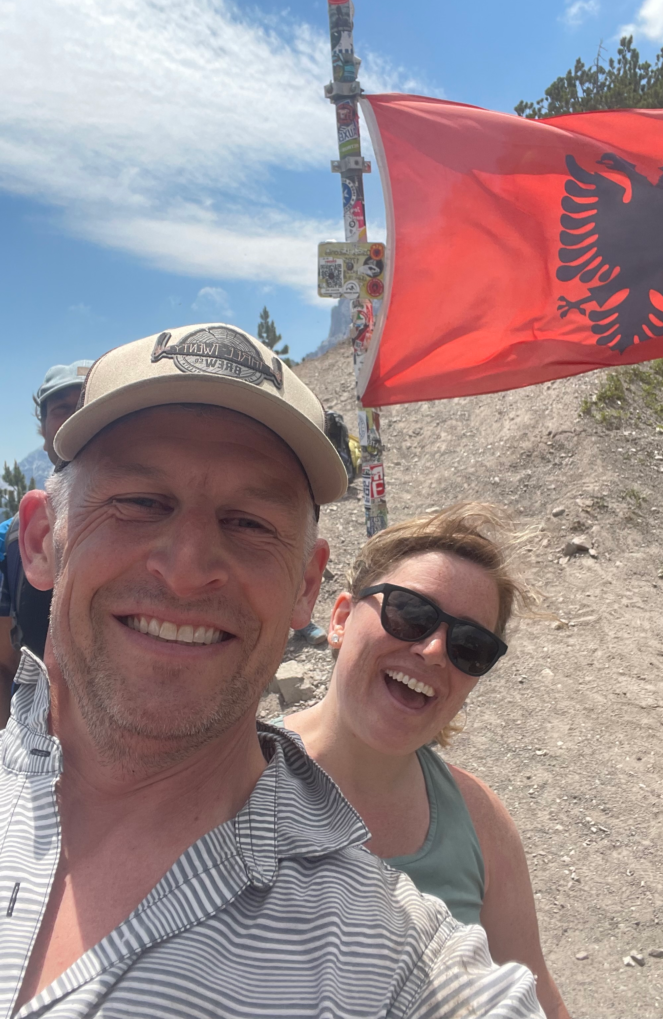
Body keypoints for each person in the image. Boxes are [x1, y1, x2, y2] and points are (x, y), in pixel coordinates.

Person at [3, 323, 544, 1018]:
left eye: (251, 522)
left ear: (306, 588)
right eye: (141, 502)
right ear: (43, 540)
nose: (189, 567)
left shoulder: (398, 959)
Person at [284, 503, 570, 1019]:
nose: (435, 650)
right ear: (342, 618)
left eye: (470, 645)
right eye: (411, 613)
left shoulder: (479, 824)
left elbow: (535, 994)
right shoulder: (229, 777)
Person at [0, 359, 93, 725]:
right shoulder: (7, 539)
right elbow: (4, 662)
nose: (74, 419)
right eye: (62, 409)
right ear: (42, 427)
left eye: (85, 406)